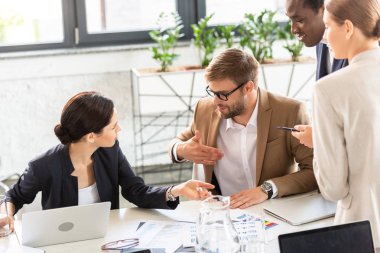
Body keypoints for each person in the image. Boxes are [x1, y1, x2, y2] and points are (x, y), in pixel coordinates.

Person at [0, 91, 214, 233]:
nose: (119, 130)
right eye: (114, 126)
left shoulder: (110, 152)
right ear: (91, 136)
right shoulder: (43, 165)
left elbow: (135, 191)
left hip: (107, 240)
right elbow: (14, 196)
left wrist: (177, 190)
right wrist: (6, 216)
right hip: (63, 244)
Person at [168, 48, 317, 209]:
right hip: (222, 212)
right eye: (212, 92)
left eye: (223, 94)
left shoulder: (290, 111)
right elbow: (176, 143)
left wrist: (267, 189)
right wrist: (181, 150)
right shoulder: (205, 109)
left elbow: (314, 171)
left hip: (275, 210)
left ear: (248, 87)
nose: (216, 101)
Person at [297, 0, 380, 247]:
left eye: (328, 27)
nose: (325, 37)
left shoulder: (328, 89)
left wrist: (319, 144)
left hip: (362, 231)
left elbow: (333, 187)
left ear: (347, 27)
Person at [285, 0, 349, 147]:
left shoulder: (364, 50)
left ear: (324, 10)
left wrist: (320, 139)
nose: (293, 29)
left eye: (300, 20)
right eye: (290, 20)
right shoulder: (321, 42)